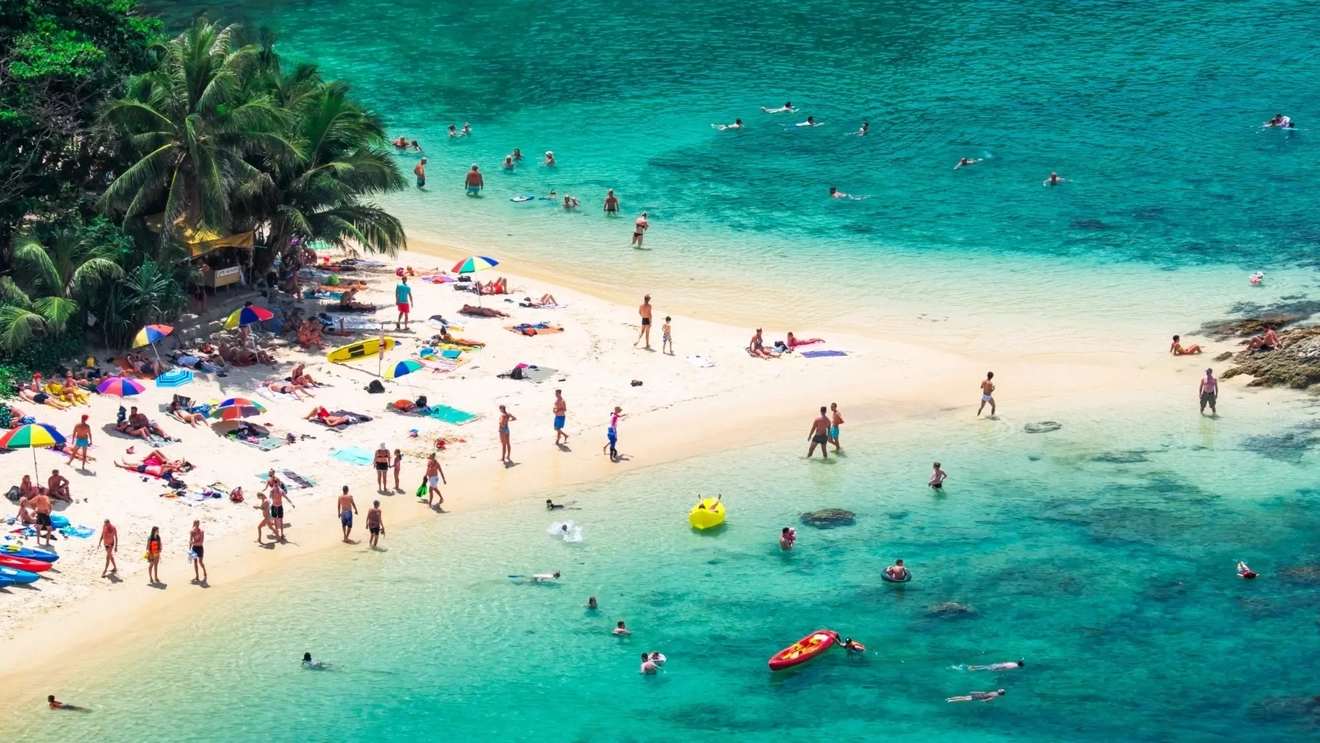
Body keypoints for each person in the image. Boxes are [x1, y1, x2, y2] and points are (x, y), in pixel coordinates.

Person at [189, 519, 206, 583]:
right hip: (194, 548)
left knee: (200, 562)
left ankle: (204, 571)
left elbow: (201, 543)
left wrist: (193, 543)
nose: (198, 525)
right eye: (197, 524)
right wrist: (189, 549)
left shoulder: (201, 531)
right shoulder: (192, 532)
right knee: (195, 562)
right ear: (194, 524)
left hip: (200, 548)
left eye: (198, 524)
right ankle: (197, 576)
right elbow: (190, 541)